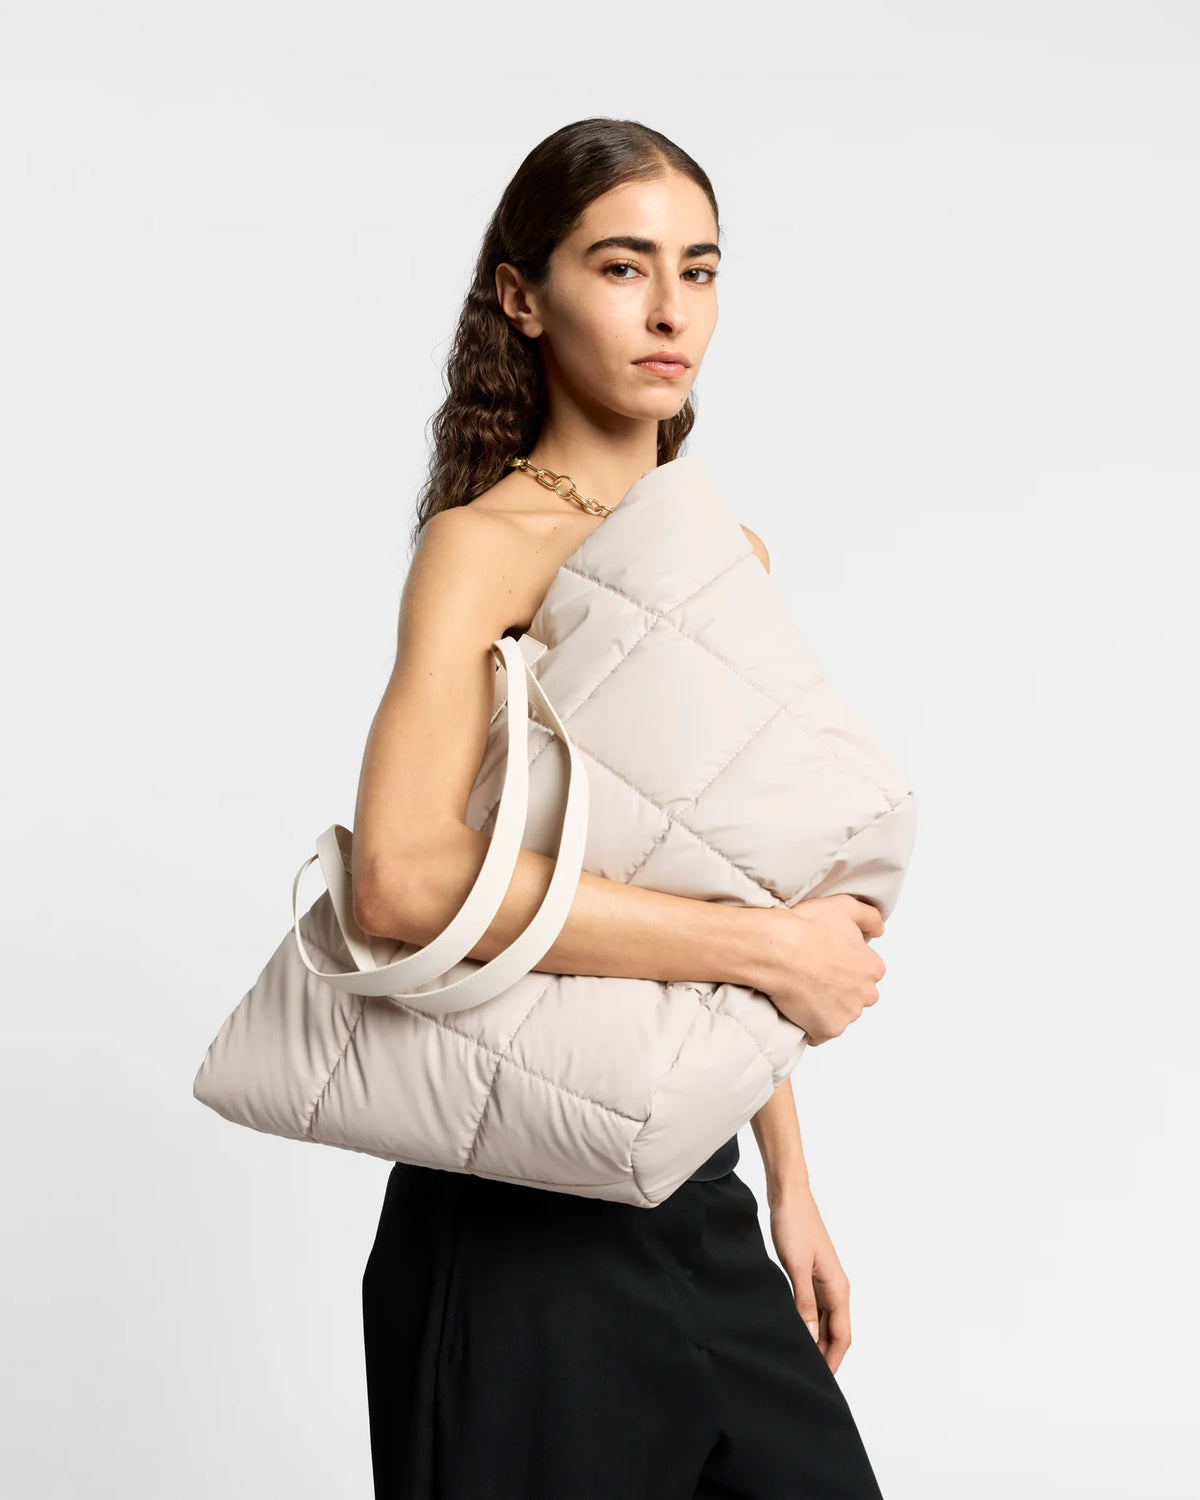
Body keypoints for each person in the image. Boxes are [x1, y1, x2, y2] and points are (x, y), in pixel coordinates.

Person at [353, 117, 891, 1500]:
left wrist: (791, 1189)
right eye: (622, 266)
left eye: (699, 271)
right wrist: (770, 954)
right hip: (518, 1230)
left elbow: (720, 869)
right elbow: (405, 884)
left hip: (693, 1201)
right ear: (523, 298)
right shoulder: (478, 551)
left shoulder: (725, 549)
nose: (669, 311)